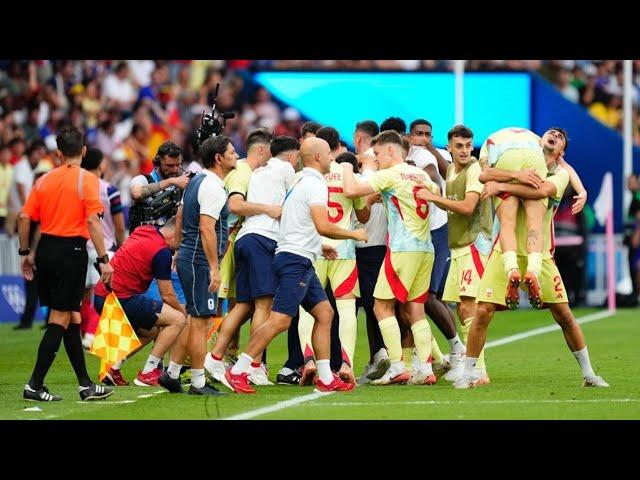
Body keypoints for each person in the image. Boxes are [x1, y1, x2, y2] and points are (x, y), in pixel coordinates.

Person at [456, 127, 609, 389]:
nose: (555, 137)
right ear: (539, 141)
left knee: (564, 315)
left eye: (561, 138)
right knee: (483, 311)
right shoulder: (519, 161)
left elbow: (540, 192)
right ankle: (469, 373)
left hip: (541, 255)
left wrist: (501, 185)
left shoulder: (560, 174)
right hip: (503, 251)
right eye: (552, 133)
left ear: (561, 153)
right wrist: (512, 175)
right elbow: (485, 174)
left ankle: (589, 374)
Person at [222, 137, 367, 394]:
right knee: (280, 321)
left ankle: (325, 376)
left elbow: (293, 219)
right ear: (319, 158)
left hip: (298, 256)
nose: (332, 159)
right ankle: (238, 370)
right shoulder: (313, 184)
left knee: (325, 314)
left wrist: (319, 246)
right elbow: (323, 226)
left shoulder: (299, 180)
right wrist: (353, 234)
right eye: (329, 155)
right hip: (295, 260)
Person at [19, 126, 114, 402]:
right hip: (71, 250)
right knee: (60, 317)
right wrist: (104, 259)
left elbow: (25, 219)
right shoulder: (88, 180)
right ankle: (34, 384)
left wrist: (26, 252)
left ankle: (85, 384)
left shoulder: (43, 180)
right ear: (83, 151)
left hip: (47, 249)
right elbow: (92, 221)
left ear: (58, 153)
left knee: (71, 316)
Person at [342, 130, 440, 386]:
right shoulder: (418, 173)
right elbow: (435, 191)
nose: (375, 158)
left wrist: (346, 164)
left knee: (380, 307)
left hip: (402, 249)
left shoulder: (389, 174)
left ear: (389, 151)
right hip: (425, 248)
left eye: (377, 154)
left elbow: (351, 190)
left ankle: (397, 366)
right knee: (415, 309)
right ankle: (426, 368)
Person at [205, 136, 298, 386]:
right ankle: (255, 365)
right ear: (291, 156)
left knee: (243, 305)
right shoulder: (284, 168)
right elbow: (294, 200)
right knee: (263, 307)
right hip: (264, 238)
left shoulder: (254, 172)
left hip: (245, 238)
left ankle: (215, 356)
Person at [416, 125, 493, 382]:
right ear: (449, 147)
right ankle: (468, 363)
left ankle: (477, 369)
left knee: (471, 306)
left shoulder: (474, 171)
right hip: (458, 245)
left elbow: (469, 207)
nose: (463, 150)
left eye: (467, 145)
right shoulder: (450, 169)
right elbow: (444, 173)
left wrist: (434, 198)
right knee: (462, 307)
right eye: (458, 146)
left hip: (474, 243)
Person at [164, 135, 238, 396]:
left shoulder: (196, 180)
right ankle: (197, 382)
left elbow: (182, 215)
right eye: (231, 152)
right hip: (199, 262)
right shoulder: (214, 187)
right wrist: (214, 268)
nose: (236, 155)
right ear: (218, 158)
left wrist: (178, 247)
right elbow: (206, 227)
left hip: (189, 256)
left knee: (194, 317)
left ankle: (172, 373)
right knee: (201, 321)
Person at [93, 217, 186, 391]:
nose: (179, 248)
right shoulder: (162, 252)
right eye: (181, 241)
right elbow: (167, 294)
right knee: (178, 320)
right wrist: (183, 312)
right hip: (119, 299)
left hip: (102, 295)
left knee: (150, 330)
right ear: (174, 235)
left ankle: (113, 367)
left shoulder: (145, 230)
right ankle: (149, 372)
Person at [406, 118, 466, 376]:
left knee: (429, 296)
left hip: (437, 231)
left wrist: (430, 150)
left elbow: (447, 178)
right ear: (409, 136)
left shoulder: (436, 155)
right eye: (418, 134)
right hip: (411, 236)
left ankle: (457, 350)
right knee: (410, 300)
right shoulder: (403, 157)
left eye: (428, 134)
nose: (423, 137)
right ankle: (425, 357)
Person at [477, 127, 547, 310]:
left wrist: (511, 177)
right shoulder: (536, 138)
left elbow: (485, 174)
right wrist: (582, 191)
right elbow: (559, 163)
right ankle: (533, 271)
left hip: (506, 160)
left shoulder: (489, 142)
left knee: (507, 224)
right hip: (535, 160)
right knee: (535, 224)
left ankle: (512, 270)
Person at [79, 147, 125, 348]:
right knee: (106, 296)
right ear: (101, 164)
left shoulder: (77, 186)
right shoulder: (109, 190)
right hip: (104, 248)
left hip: (81, 246)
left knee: (86, 295)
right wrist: (122, 246)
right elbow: (119, 225)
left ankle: (84, 332)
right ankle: (92, 335)